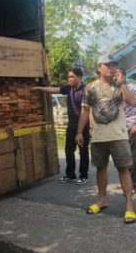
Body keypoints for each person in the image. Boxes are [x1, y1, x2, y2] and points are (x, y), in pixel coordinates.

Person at [75, 54, 136, 224]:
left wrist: (122, 82)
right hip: (99, 136)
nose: (111, 68)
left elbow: (132, 102)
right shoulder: (91, 87)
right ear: (99, 68)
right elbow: (85, 111)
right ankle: (102, 200)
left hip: (118, 135)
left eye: (113, 65)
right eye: (107, 65)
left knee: (123, 168)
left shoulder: (121, 86)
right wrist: (80, 131)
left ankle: (129, 206)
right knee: (100, 167)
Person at [32, 67, 90, 184]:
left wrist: (91, 128)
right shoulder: (68, 89)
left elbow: (90, 110)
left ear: (80, 77)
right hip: (71, 125)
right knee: (69, 150)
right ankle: (70, 175)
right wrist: (39, 88)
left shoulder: (85, 90)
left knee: (83, 151)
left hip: (83, 125)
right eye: (69, 77)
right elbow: (54, 90)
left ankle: (84, 175)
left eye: (72, 77)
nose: (70, 79)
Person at [115, 67, 136, 194]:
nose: (114, 77)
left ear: (123, 76)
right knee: (123, 156)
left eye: (117, 75)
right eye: (114, 75)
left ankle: (133, 185)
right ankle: (125, 182)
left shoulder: (133, 87)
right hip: (120, 127)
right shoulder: (113, 89)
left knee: (133, 156)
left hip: (132, 125)